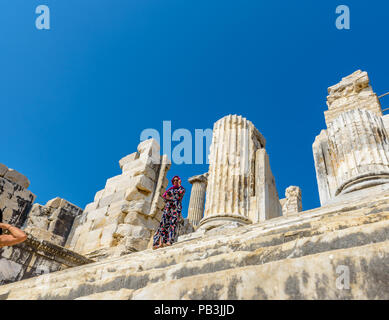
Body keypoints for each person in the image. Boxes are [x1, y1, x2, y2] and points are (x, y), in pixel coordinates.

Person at [153, 175, 185, 249]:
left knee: (173, 224)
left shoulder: (181, 189)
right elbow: (165, 198)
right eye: (174, 180)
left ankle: (169, 241)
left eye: (177, 180)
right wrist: (173, 199)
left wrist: (171, 198)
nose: (175, 181)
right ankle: (159, 242)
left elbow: (181, 194)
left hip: (176, 208)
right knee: (163, 224)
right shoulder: (170, 190)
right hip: (168, 208)